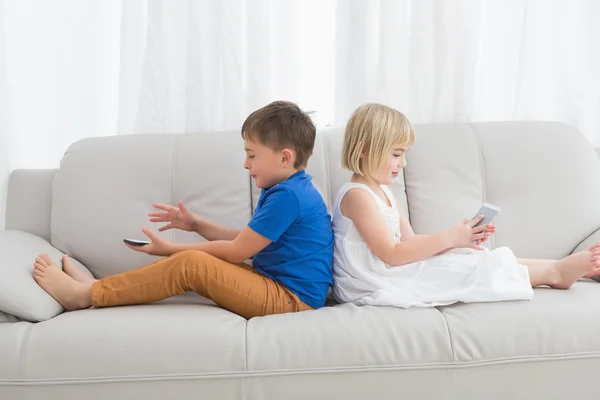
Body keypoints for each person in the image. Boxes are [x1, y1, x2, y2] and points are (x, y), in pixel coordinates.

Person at [32, 101, 334, 319]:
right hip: (278, 286)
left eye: (252, 155)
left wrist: (169, 251)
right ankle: (98, 288)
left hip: (291, 299)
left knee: (190, 264)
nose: (245, 164)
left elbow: (237, 251)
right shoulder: (286, 189)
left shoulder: (289, 197)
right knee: (191, 261)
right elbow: (246, 239)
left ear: (284, 158)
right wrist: (196, 224)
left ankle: (85, 296)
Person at [332, 103, 600, 308]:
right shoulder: (357, 195)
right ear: (364, 150)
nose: (403, 164)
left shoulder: (383, 192)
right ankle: (554, 273)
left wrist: (455, 241)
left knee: (469, 257)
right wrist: (447, 237)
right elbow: (391, 253)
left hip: (389, 269)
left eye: (405, 155)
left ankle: (554, 267)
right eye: (396, 154)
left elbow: (410, 241)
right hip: (371, 281)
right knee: (460, 270)